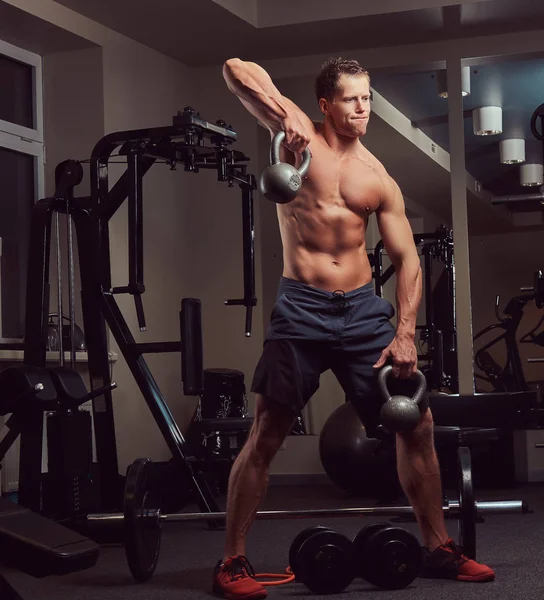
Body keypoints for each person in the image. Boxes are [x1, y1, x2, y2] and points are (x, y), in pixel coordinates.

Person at [215, 56, 495, 600]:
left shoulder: (377, 177)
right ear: (326, 104)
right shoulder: (297, 135)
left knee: (417, 425)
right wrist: (281, 113)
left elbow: (408, 259)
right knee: (268, 430)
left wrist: (405, 330)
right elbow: (235, 68)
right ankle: (232, 560)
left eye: (367, 97)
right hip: (301, 308)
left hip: (363, 312)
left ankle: (437, 547)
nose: (363, 107)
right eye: (351, 98)